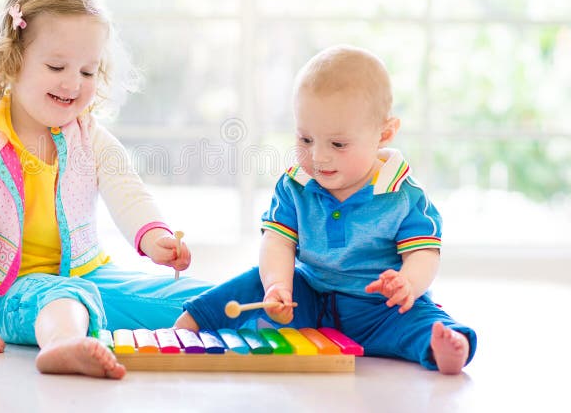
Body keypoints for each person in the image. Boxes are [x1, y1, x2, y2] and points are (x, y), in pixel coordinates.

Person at [0, 0, 211, 379]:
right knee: (66, 295)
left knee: (203, 300)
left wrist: (156, 238)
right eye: (56, 66)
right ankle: (65, 345)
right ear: (11, 61)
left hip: (90, 276)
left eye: (88, 71)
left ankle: (290, 309)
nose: (73, 83)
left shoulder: (90, 138)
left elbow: (129, 195)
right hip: (13, 294)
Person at [175, 45, 476, 375]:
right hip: (310, 298)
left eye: (338, 144)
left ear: (384, 134)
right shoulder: (295, 186)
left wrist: (407, 283)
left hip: (381, 310)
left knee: (421, 319)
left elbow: (425, 254)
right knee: (254, 284)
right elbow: (277, 242)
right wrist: (278, 285)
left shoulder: (404, 196)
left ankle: (443, 348)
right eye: (305, 139)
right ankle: (194, 322)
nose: (318, 157)